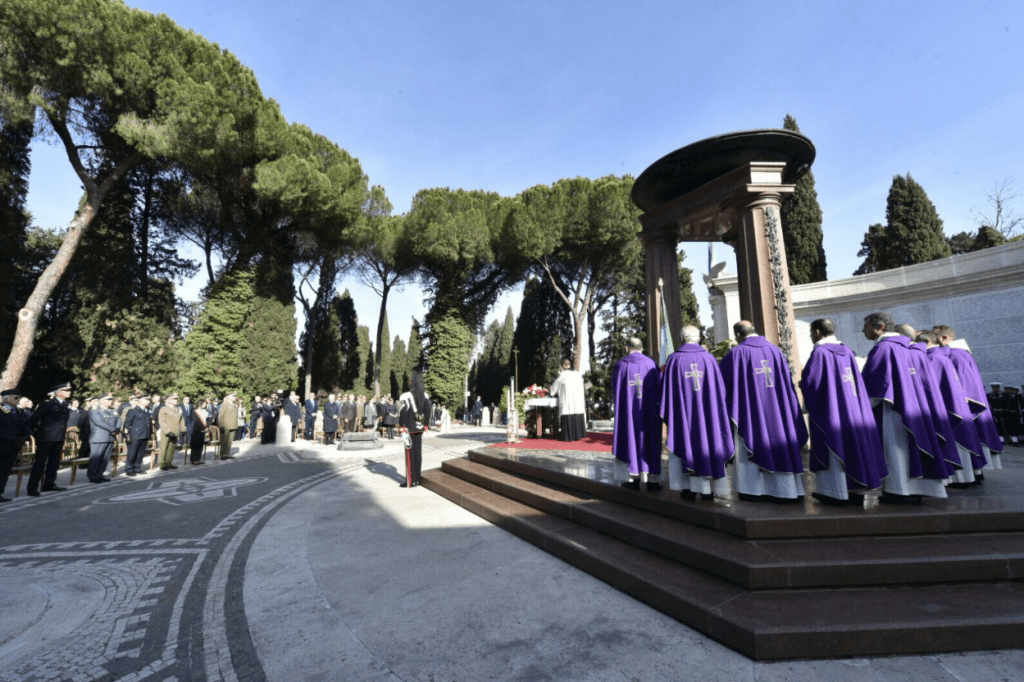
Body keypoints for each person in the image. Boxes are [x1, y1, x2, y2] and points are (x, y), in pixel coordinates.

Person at [861, 312, 951, 502]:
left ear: (880, 327)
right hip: (914, 406)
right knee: (910, 449)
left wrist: (861, 408)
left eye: (866, 326)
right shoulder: (910, 347)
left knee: (895, 449)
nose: (863, 330)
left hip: (893, 409)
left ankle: (899, 490)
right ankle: (916, 489)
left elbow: (875, 385)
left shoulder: (884, 348)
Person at [800, 319, 887, 505]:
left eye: (811, 332)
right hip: (852, 406)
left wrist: (803, 388)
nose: (811, 336)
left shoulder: (820, 352)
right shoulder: (846, 350)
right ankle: (856, 491)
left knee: (834, 444)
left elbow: (812, 383)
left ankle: (835, 493)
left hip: (831, 409)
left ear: (817, 332)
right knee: (853, 446)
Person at [719, 321, 808, 502]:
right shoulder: (776, 351)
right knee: (782, 444)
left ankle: (752, 491)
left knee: (750, 442)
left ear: (738, 335)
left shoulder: (736, 353)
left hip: (750, 413)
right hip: (779, 411)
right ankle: (787, 490)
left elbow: (721, 386)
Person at [661, 325, 734, 501]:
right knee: (710, 442)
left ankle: (689, 489)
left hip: (684, 415)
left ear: (682, 339)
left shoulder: (674, 359)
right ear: (699, 338)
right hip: (709, 415)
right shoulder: (709, 358)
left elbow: (667, 393)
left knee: (686, 444)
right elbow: (720, 391)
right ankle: (709, 490)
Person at [918, 330, 986, 486]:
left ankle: (960, 479)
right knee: (962, 440)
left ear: (927, 342)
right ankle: (970, 476)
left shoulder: (933, 358)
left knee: (955, 442)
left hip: (947, 406)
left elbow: (929, 385)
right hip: (956, 403)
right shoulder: (942, 356)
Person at [934, 325, 1004, 471]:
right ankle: (975, 472)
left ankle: (971, 473)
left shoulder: (955, 355)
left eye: (935, 337)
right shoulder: (960, 353)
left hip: (964, 405)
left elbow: (963, 383)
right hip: (966, 404)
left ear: (944, 337)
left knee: (965, 436)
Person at [612, 337, 663, 492]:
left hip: (628, 413)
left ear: (627, 348)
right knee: (650, 441)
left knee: (630, 440)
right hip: (649, 412)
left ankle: (633, 479)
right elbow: (660, 387)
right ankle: (652, 481)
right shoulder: (651, 364)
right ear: (641, 348)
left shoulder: (621, 365)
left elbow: (615, 389)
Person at [27, 382, 73, 496]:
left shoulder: (65, 404)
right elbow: (33, 420)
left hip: (59, 437)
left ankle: (49, 484)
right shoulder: (47, 404)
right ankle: (32, 487)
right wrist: (38, 432)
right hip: (46, 438)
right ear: (58, 392)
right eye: (66, 390)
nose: (69, 392)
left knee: (54, 463)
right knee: (40, 463)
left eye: (69, 390)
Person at [398, 371, 431, 487]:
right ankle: (417, 479)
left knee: (410, 455)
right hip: (420, 428)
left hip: (409, 429)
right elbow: (428, 411)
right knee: (418, 454)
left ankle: (410, 481)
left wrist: (401, 425)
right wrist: (426, 424)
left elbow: (403, 412)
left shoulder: (405, 396)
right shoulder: (425, 395)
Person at [0, 388, 31, 502]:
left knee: (6, 471)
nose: (18, 400)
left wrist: (25, 437)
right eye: (16, 398)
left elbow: (26, 425)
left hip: (14, 446)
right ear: (7, 399)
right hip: (3, 445)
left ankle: (0, 492)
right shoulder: (1, 411)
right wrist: (12, 439)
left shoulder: (19, 411)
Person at [550, 359, 587, 441]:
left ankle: (568, 436)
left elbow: (554, 388)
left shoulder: (563, 375)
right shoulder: (578, 374)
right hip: (578, 402)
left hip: (568, 402)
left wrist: (550, 391)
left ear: (563, 366)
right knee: (577, 412)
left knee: (567, 412)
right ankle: (578, 435)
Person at [85, 394, 119, 483]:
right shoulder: (95, 411)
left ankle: (100, 474)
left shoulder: (112, 411)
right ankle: (93, 476)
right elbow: (99, 422)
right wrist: (113, 429)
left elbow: (119, 419)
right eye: (108, 400)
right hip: (99, 437)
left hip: (110, 437)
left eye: (111, 400)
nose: (110, 401)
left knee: (105, 458)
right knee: (96, 458)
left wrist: (118, 428)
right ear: (101, 401)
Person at [123, 395, 152, 476]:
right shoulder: (133, 411)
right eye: (146, 399)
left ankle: (137, 468)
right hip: (135, 435)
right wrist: (127, 435)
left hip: (144, 434)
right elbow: (127, 424)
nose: (148, 401)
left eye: (148, 400)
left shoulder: (148, 410)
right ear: (140, 400)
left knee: (140, 453)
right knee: (132, 453)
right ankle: (129, 469)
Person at [157, 393, 185, 471]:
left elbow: (181, 420)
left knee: (171, 448)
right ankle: (162, 464)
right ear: (168, 400)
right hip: (167, 432)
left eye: (177, 399)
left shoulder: (178, 408)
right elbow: (162, 421)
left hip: (175, 431)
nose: (176, 400)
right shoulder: (164, 409)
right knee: (164, 448)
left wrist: (182, 429)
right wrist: (167, 431)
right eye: (174, 399)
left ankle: (169, 462)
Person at [219, 392, 238, 459]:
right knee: (224, 441)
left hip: (233, 425)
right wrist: (221, 425)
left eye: (235, 396)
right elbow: (221, 415)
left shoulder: (234, 404)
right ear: (229, 397)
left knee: (229, 441)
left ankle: (227, 453)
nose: (235, 397)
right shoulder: (225, 404)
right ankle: (222, 454)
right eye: (233, 396)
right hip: (226, 425)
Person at [189, 398, 208, 464]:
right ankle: (193, 460)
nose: (205, 405)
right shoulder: (195, 412)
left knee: (200, 445)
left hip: (203, 431)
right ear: (200, 404)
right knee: (195, 445)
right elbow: (196, 421)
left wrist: (207, 427)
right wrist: (203, 427)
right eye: (204, 404)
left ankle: (198, 459)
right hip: (196, 430)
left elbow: (207, 420)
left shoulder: (205, 412)